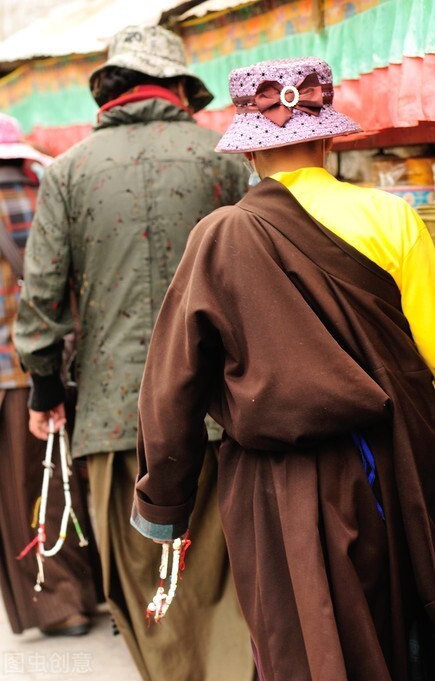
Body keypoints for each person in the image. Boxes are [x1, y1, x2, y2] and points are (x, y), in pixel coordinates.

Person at [130, 56, 435, 681]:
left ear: (250, 154)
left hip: (270, 487)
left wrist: (165, 503)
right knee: (401, 639)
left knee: (298, 644)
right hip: (384, 470)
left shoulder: (217, 237)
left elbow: (172, 385)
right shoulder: (390, 219)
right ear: (327, 137)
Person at [14, 25, 254, 681]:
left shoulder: (66, 172)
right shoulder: (225, 157)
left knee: (144, 581)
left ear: (111, 90)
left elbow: (41, 298)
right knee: (225, 575)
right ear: (179, 88)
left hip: (116, 416)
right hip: (221, 407)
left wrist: (44, 390)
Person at [0, 114, 97, 637]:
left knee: (29, 485)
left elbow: (34, 281)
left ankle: (60, 602)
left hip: (15, 371)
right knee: (61, 474)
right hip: (59, 355)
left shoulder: (28, 194)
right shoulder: (45, 187)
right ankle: (85, 592)